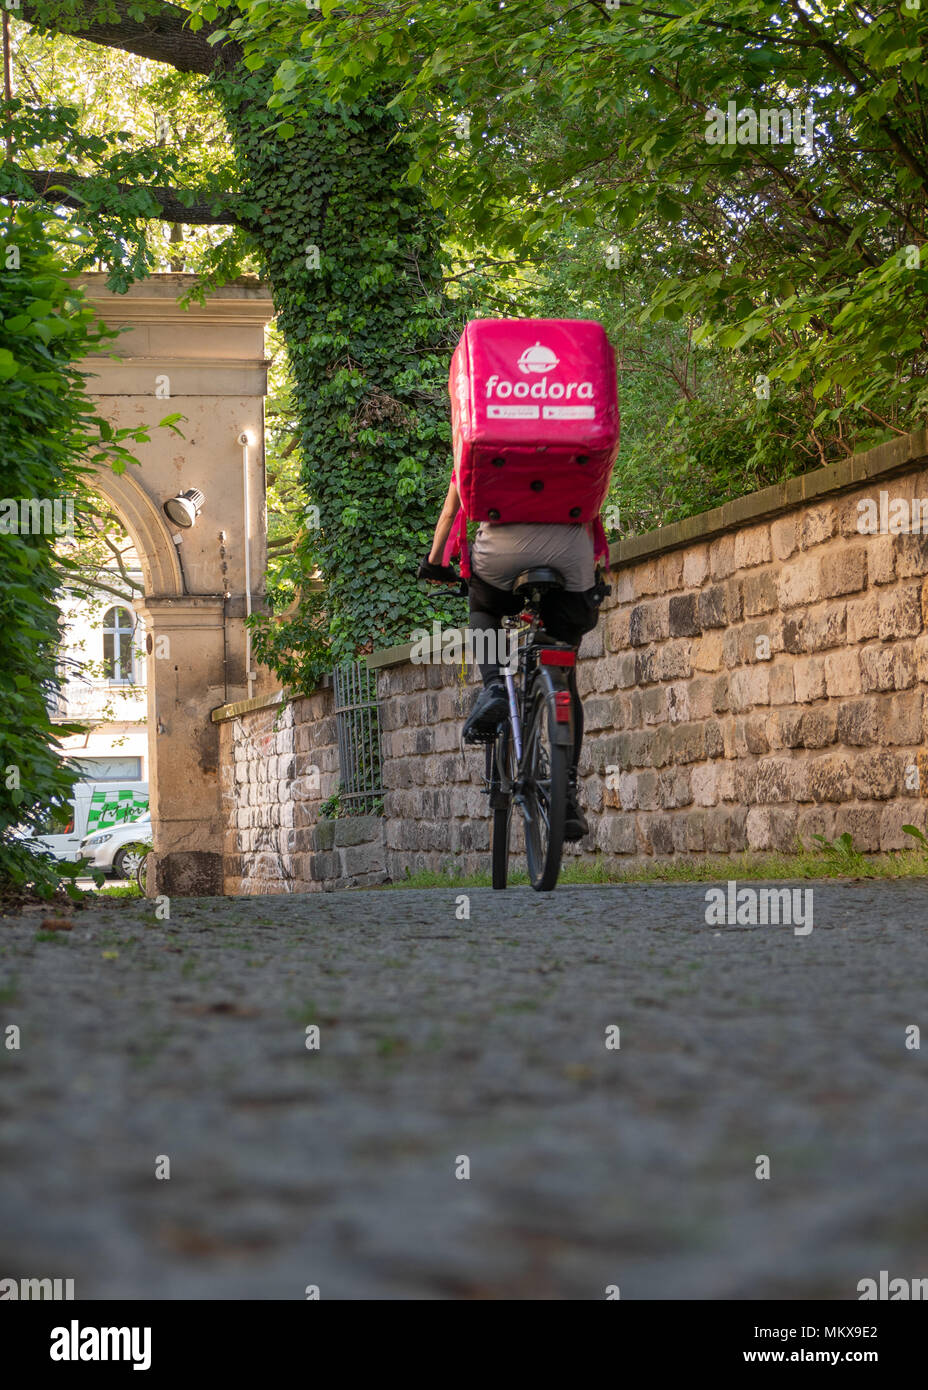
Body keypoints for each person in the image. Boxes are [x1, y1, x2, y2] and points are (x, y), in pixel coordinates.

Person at [419, 475, 606, 841]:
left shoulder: (487, 430)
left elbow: (449, 513)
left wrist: (434, 562)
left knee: (482, 605)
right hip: (572, 558)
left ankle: (495, 688)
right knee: (566, 677)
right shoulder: (576, 434)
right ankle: (566, 792)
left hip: (501, 556)